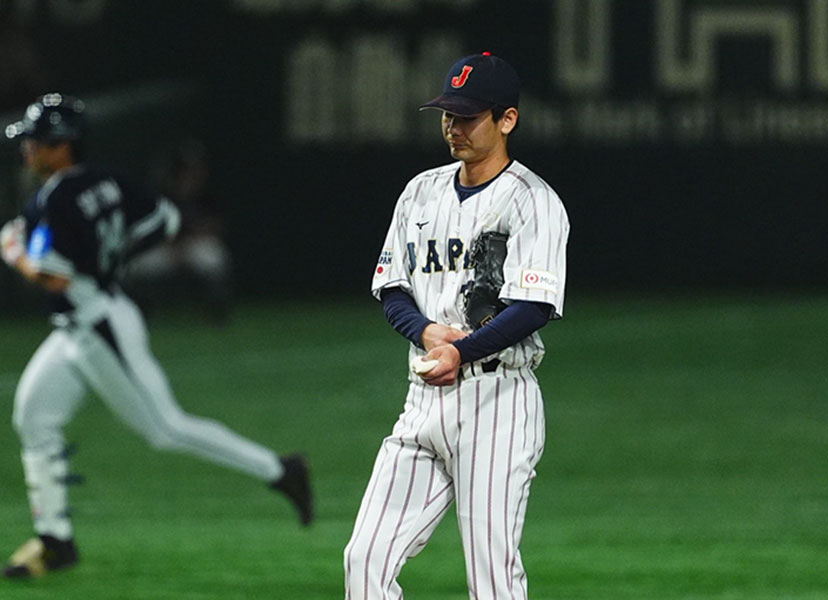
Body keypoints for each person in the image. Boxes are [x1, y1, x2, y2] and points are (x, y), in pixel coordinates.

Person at [0, 93, 314, 579]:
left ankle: (281, 471)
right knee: (34, 416)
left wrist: (14, 251)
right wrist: (114, 255)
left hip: (98, 324)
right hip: (84, 322)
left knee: (166, 429)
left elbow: (52, 276)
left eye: (37, 141)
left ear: (63, 145)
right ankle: (55, 541)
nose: (27, 150)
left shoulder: (53, 200)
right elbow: (164, 219)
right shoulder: (106, 180)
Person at [343, 53, 569, 599]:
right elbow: (391, 285)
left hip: (497, 402)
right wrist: (422, 331)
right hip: (423, 400)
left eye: (468, 116)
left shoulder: (533, 202)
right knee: (365, 560)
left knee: (491, 579)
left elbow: (533, 306)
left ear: (506, 120)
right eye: (447, 113)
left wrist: (461, 352)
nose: (453, 126)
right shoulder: (420, 191)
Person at [123, 138, 234, 321]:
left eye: (196, 168)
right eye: (186, 169)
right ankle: (143, 310)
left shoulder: (207, 193)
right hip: (166, 247)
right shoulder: (161, 193)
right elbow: (148, 228)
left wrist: (190, 238)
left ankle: (218, 311)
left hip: (194, 245)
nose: (192, 174)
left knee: (216, 256)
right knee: (139, 265)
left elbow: (216, 225)